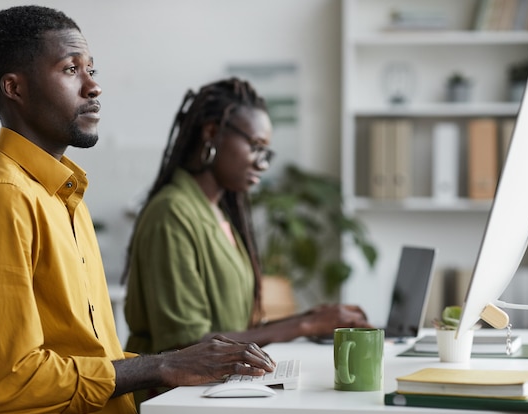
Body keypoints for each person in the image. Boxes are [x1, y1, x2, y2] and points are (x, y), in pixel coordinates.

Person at [0, 6, 274, 414]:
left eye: (93, 69)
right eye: (71, 69)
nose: (94, 87)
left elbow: (91, 354)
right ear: (14, 88)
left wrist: (178, 366)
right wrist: (160, 365)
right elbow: (11, 381)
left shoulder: (64, 197)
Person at [123, 78, 372, 358]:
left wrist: (311, 321)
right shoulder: (172, 214)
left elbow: (234, 329)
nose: (262, 163)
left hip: (215, 389)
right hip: (168, 397)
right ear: (212, 132)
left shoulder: (216, 213)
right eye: (255, 146)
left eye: (266, 152)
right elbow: (186, 345)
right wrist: (304, 324)